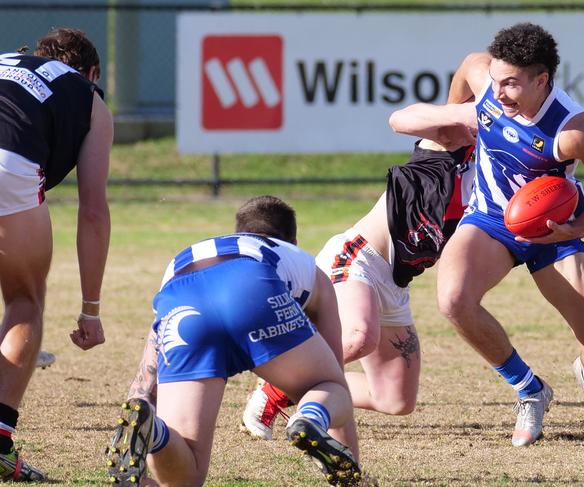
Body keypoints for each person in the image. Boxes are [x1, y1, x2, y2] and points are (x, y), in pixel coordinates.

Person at [419, 22, 584, 446]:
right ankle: (529, 389)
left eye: (511, 84)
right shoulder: (483, 77)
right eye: (497, 80)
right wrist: (454, 136)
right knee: (453, 300)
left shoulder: (572, 131)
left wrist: (579, 225)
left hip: (551, 234)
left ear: (541, 80)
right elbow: (468, 70)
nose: (498, 92)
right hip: (489, 218)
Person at [241, 106, 476, 445]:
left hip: (395, 282)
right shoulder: (455, 137)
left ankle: (303, 388)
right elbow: (401, 119)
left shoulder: (503, 172)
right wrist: (468, 111)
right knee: (359, 337)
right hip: (359, 256)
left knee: (395, 399)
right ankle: (274, 388)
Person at [107, 196, 372, 487]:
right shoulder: (299, 260)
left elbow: (148, 371)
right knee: (331, 387)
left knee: (187, 477)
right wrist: (350, 473)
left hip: (180, 299)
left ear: (239, 230)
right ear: (292, 240)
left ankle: (155, 433)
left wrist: (140, 407)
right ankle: (309, 418)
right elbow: (334, 375)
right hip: (252, 284)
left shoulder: (185, 258)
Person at [0, 27, 112, 481]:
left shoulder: (7, 58)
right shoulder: (88, 96)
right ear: (91, 72)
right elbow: (93, 213)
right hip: (9, 164)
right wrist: (90, 310)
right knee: (25, 300)